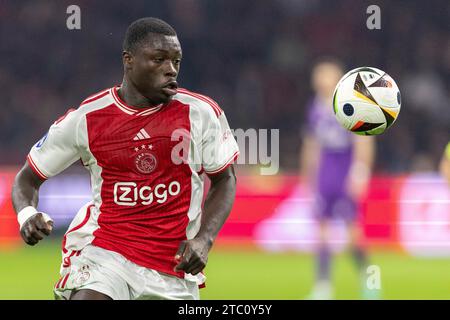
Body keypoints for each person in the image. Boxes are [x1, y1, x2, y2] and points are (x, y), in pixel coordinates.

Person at [11, 17, 239, 300]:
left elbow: (225, 179)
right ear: (129, 60)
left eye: (176, 61)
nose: (171, 70)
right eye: (159, 59)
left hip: (172, 267)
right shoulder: (88, 119)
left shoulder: (201, 113)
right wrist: (27, 214)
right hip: (106, 254)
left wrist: (204, 239)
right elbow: (27, 178)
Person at [299, 58, 377, 300]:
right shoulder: (314, 107)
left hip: (345, 169)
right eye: (318, 76)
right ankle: (323, 287)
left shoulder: (349, 103)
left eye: (325, 75)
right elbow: (311, 145)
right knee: (321, 230)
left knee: (353, 233)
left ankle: (369, 281)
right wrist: (307, 178)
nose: (320, 80)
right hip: (325, 172)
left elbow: (364, 138)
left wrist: (360, 171)